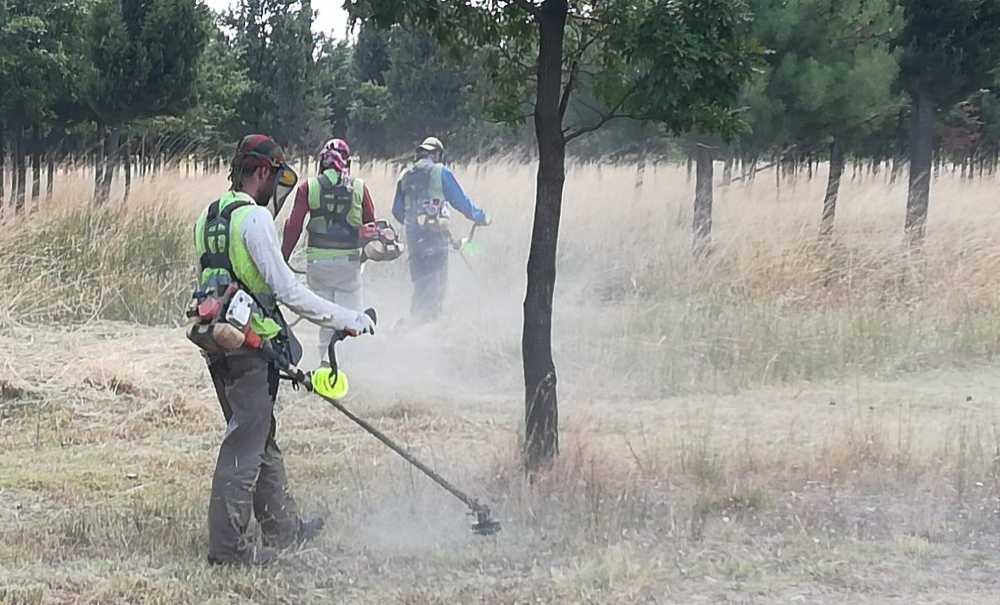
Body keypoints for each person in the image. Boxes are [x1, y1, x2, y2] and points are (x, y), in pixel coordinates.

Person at [193, 134, 375, 566]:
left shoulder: (208, 216)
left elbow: (209, 282)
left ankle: (282, 527)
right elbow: (289, 291)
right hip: (248, 346)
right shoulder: (253, 220)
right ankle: (227, 549)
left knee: (259, 435)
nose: (277, 188)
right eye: (276, 178)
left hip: (219, 338)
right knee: (245, 442)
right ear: (262, 172)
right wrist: (347, 318)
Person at [282, 138, 377, 362]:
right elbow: (371, 224)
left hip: (318, 266)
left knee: (326, 315)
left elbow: (293, 226)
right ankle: (347, 365)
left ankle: (325, 362)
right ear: (348, 162)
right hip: (348, 265)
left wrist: (282, 258)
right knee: (351, 316)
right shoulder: (360, 188)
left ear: (321, 163)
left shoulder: (308, 187)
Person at [392, 136, 491, 323]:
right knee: (436, 289)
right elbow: (461, 201)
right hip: (436, 241)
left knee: (421, 286)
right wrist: (481, 217)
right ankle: (421, 332)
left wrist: (415, 223)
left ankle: (414, 326)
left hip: (414, 242)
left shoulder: (405, 175)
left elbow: (397, 212)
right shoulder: (441, 172)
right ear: (436, 154)